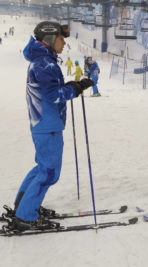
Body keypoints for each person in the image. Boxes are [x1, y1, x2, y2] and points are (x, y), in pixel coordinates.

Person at [10, 21, 94, 231]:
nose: (64, 43)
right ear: (49, 39)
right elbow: (54, 95)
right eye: (61, 38)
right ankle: (25, 217)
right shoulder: (44, 64)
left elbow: (51, 90)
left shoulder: (43, 61)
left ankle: (23, 207)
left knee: (42, 167)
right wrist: (75, 89)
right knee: (49, 172)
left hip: (44, 123)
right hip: (48, 124)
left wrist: (72, 86)